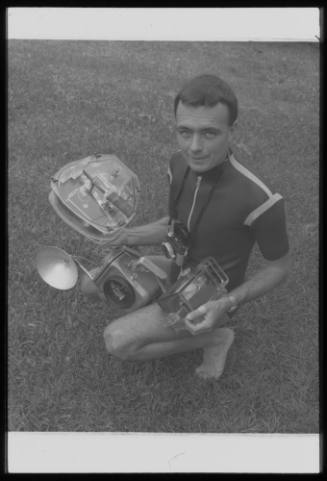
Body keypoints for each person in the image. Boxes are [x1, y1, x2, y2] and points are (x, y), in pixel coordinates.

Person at [81, 74, 290, 379]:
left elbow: (279, 267)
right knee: (91, 284)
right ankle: (160, 307)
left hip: (209, 292)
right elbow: (174, 227)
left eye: (209, 133)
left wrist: (228, 301)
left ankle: (216, 337)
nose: (194, 147)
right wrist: (125, 235)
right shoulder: (178, 164)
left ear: (232, 131)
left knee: (117, 341)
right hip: (176, 267)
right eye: (184, 132)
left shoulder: (260, 198)